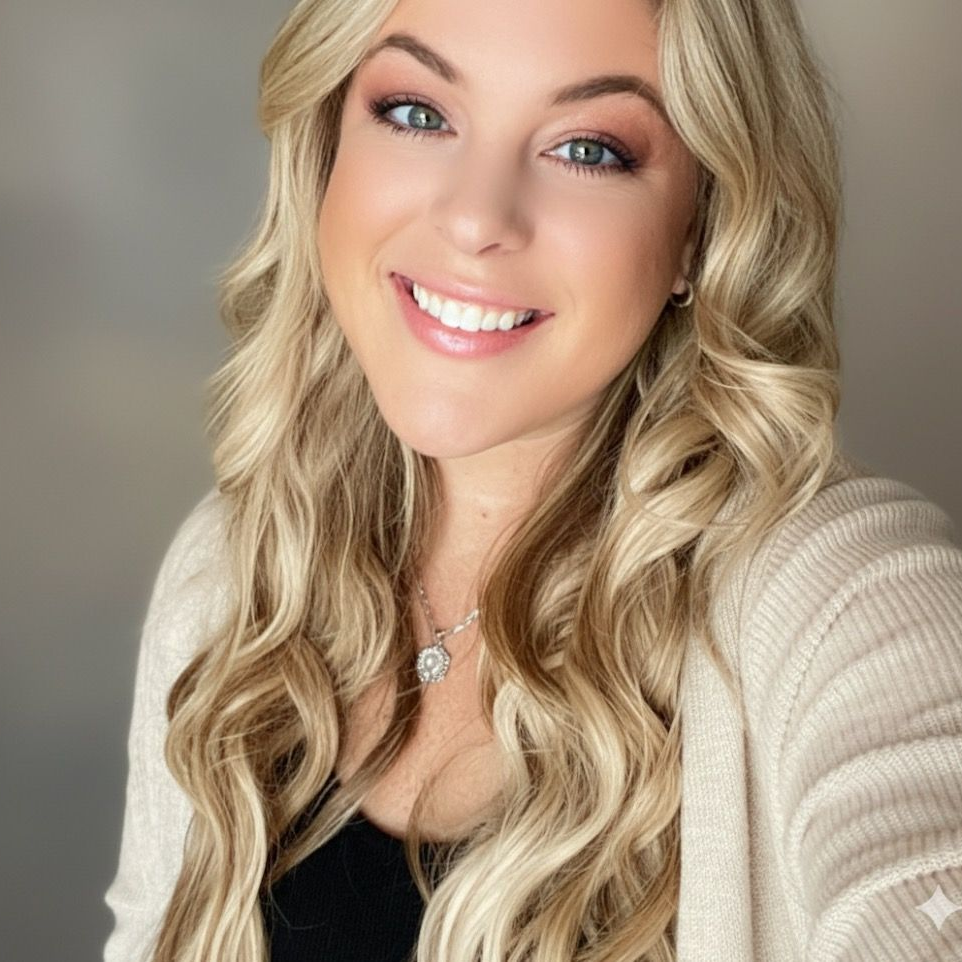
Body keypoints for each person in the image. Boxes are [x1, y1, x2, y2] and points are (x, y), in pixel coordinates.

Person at [103, 0, 962, 959]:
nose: (476, 218)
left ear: (700, 229)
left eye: (588, 149)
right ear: (326, 149)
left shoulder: (848, 603)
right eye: (419, 114)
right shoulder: (232, 576)